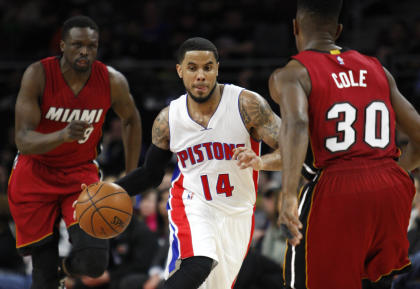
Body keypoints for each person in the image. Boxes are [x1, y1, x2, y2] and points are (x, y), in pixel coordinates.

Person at [268, 0, 420, 288]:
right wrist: (394, 172)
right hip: (391, 188)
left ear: (295, 27)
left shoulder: (291, 74)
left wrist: (288, 195)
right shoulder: (378, 69)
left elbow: (297, 124)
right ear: (337, 30)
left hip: (336, 189)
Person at [113, 37, 282, 289]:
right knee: (198, 263)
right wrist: (115, 189)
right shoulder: (168, 119)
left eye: (207, 67)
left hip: (238, 212)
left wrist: (262, 161)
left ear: (217, 69)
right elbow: (151, 173)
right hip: (193, 203)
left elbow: (292, 150)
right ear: (180, 71)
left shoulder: (247, 104)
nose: (200, 75)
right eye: (192, 68)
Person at [7, 15, 142, 289]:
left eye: (92, 46)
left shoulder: (112, 80)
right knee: (42, 276)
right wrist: (63, 134)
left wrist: (130, 173)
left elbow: (131, 119)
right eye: (77, 45)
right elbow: (22, 140)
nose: (85, 51)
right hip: (35, 173)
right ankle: (49, 272)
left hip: (80, 175)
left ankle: (63, 268)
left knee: (95, 263)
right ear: (63, 46)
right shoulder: (38, 75)